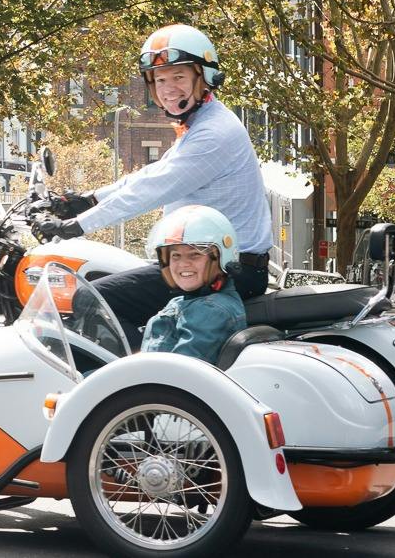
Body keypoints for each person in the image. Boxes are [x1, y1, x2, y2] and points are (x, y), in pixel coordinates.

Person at [35, 24, 275, 343]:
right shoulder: (202, 123)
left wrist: (76, 226)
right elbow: (151, 174)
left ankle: (139, 384)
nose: (168, 88)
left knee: (91, 299)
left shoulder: (213, 134)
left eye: (178, 77)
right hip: (209, 259)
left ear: (203, 78)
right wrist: (88, 199)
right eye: (160, 79)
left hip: (226, 269)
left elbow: (149, 191)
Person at [140, 206, 249, 362]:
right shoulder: (186, 302)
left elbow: (179, 372)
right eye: (176, 256)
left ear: (219, 258)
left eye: (195, 255)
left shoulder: (211, 311)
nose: (183, 264)